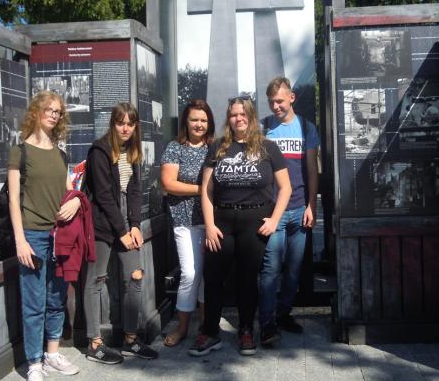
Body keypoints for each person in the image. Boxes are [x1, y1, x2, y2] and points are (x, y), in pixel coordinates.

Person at [189, 95, 291, 357]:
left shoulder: (269, 147)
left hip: (254, 223)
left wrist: (275, 219)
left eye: (243, 113)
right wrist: (209, 225)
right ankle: (210, 332)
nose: (239, 118)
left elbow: (285, 188)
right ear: (229, 118)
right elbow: (207, 189)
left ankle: (246, 330)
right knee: (213, 279)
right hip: (221, 223)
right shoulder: (218, 148)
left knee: (247, 280)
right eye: (234, 114)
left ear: (251, 116)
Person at [8, 90, 82, 381]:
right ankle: (34, 364)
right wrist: (20, 241)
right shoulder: (20, 151)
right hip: (33, 236)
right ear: (36, 111)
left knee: (56, 296)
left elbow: (70, 189)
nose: (54, 115)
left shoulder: (60, 152)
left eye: (59, 112)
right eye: (50, 110)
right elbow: (14, 199)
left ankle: (52, 353)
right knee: (33, 301)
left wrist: (77, 202)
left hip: (59, 235)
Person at [83, 102, 158, 363]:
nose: (125, 128)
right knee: (96, 279)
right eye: (120, 122)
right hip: (103, 223)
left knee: (135, 276)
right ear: (113, 123)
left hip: (126, 221)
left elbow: (135, 190)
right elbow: (103, 195)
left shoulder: (132, 150)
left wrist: (135, 225)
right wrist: (121, 230)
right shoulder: (100, 151)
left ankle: (130, 339)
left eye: (130, 123)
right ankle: (94, 342)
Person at [258, 77, 320, 345]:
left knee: (294, 271)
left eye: (280, 101)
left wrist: (312, 205)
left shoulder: (306, 128)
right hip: (274, 213)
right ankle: (267, 323)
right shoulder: (264, 128)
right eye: (271, 102)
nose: (275, 106)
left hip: (299, 209)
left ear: (292, 98)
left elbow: (311, 170)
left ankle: (283, 314)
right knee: (271, 269)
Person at [160, 99, 215, 347]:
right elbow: (169, 183)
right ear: (186, 121)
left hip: (212, 221)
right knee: (190, 273)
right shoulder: (175, 148)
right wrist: (201, 189)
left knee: (207, 276)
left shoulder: (215, 148)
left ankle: (204, 327)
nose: (199, 124)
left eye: (203, 120)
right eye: (194, 119)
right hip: (184, 220)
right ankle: (182, 327)